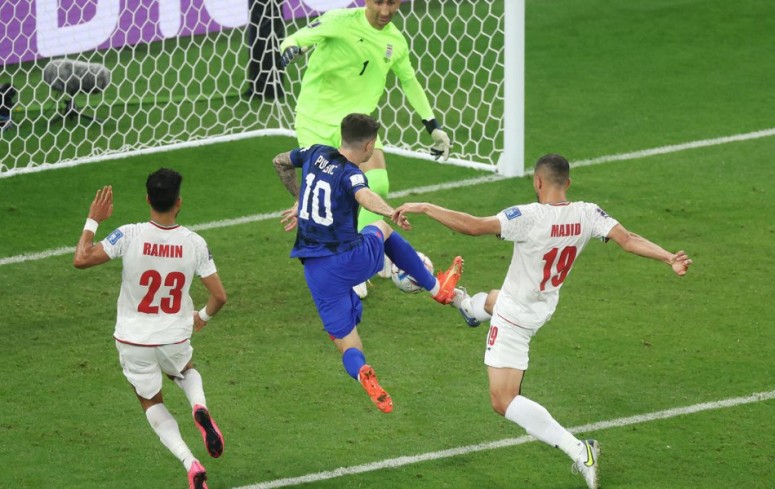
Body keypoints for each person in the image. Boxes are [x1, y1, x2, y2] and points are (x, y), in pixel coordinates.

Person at [392, 154, 692, 489]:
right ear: (568, 183)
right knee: (495, 299)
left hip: (514, 319)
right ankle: (466, 305)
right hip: (542, 307)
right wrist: (668, 257)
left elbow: (473, 226)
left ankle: (580, 451)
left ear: (537, 182)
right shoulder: (588, 213)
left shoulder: (529, 216)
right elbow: (629, 238)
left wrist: (425, 207)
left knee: (502, 400)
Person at [272, 113, 462, 413]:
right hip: (348, 258)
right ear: (369, 145)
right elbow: (364, 196)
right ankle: (438, 289)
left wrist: (301, 199)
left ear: (342, 135)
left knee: (348, 343)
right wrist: (390, 212)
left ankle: (362, 373)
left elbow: (280, 161)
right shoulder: (352, 173)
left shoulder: (315, 152)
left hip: (316, 271)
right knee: (382, 229)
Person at [278, 0, 452, 295]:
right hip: (316, 119)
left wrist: (433, 126)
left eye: (392, 3)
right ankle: (350, 267)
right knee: (335, 193)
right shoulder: (339, 20)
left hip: (356, 125)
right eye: (379, 2)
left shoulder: (395, 41)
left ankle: (371, 251)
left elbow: (409, 81)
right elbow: (294, 39)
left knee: (378, 182)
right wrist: (291, 49)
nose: (385, 11)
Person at [73, 169, 228, 489]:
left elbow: (82, 258)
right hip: (174, 336)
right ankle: (199, 406)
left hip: (133, 341)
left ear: (147, 199)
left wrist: (93, 219)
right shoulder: (194, 243)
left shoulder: (128, 235)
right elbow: (219, 297)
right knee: (184, 370)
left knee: (151, 402)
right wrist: (202, 317)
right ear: (179, 202)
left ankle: (191, 463)